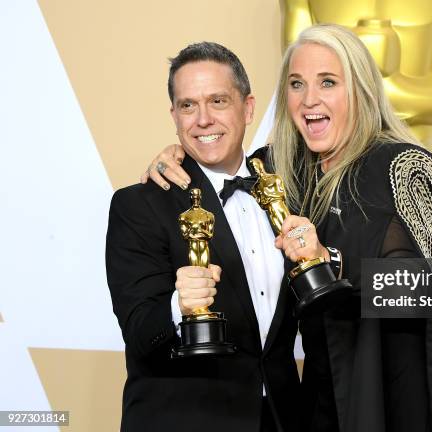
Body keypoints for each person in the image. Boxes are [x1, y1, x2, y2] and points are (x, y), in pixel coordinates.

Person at [143, 24, 432, 432]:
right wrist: (177, 156)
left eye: (328, 82)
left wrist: (330, 261)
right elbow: (219, 156)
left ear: (360, 89)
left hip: (400, 393)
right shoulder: (280, 168)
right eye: (297, 84)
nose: (309, 100)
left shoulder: (406, 167)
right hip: (321, 396)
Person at [106, 42, 300, 432]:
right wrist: (179, 307)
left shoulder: (288, 183)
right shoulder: (140, 205)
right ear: (174, 116)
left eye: (218, 101)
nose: (203, 119)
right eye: (188, 106)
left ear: (247, 108)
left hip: (283, 418)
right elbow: (140, 332)